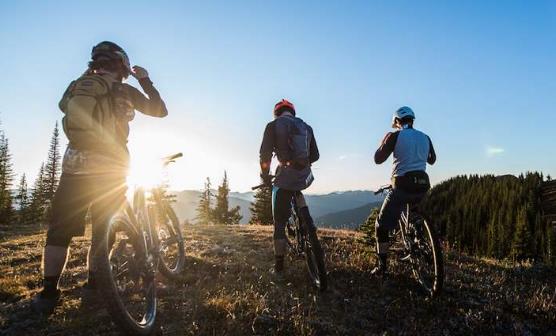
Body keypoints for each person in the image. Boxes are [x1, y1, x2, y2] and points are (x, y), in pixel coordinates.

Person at [31, 41, 168, 315]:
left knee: (59, 231)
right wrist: (145, 80)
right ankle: (94, 284)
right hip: (111, 166)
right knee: (104, 228)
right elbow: (159, 110)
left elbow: (63, 106)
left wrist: (87, 78)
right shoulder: (124, 89)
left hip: (74, 164)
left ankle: (48, 293)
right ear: (122, 66)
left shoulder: (78, 86)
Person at [372, 106, 436, 276]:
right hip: (422, 185)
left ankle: (382, 266)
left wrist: (384, 142)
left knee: (381, 225)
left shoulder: (395, 136)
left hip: (401, 184)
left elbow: (378, 159)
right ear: (412, 120)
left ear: (397, 122)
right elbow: (432, 160)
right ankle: (418, 241)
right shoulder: (425, 137)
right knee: (414, 214)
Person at [259, 99, 320, 273]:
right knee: (297, 192)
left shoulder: (272, 126)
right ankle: (306, 225)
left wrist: (265, 175)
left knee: (279, 223)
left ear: (276, 113)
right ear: (292, 111)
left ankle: (279, 266)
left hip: (284, 176)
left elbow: (265, 155)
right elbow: (315, 155)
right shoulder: (306, 127)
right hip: (304, 176)